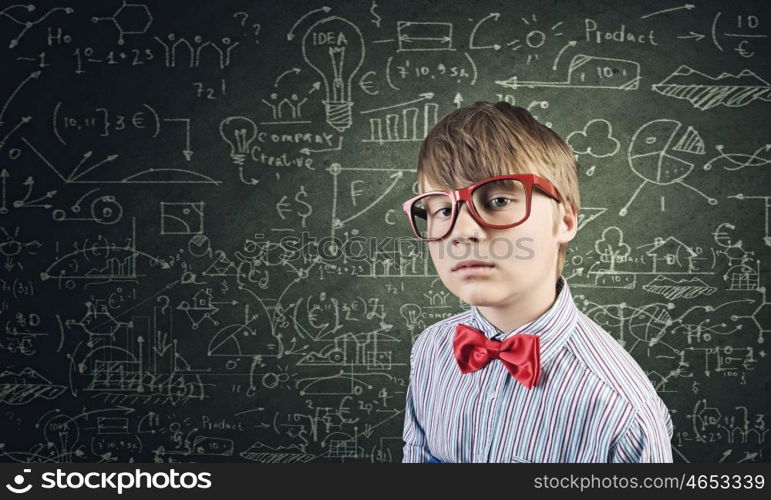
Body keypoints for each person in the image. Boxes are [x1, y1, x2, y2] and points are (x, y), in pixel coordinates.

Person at [400, 101, 673, 462]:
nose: (462, 231)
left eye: (498, 200)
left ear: (566, 221)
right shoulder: (431, 350)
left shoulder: (618, 409)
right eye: (444, 209)